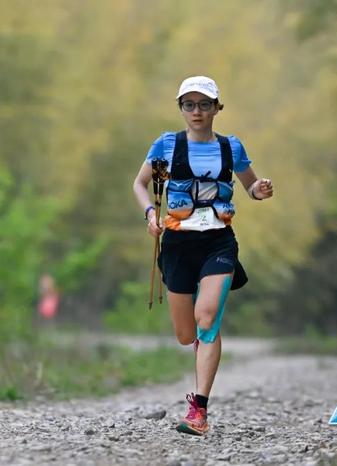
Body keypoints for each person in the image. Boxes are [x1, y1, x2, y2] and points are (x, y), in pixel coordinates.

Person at [132, 76, 274, 436]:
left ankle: (198, 411)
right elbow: (140, 184)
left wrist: (260, 189)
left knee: (207, 318)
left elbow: (251, 187)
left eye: (205, 104)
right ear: (181, 108)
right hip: (178, 244)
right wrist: (150, 215)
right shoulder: (166, 145)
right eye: (189, 105)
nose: (197, 112)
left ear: (217, 108)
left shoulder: (230, 148)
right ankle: (200, 344)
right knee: (186, 334)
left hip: (218, 242)